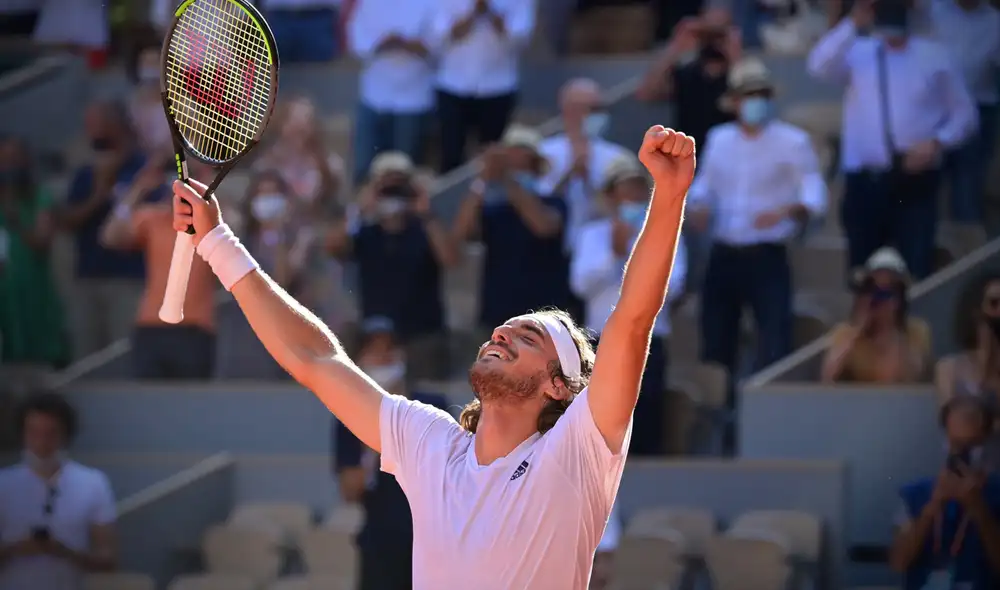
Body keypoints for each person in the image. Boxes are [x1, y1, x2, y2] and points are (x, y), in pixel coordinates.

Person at [169, 125, 693, 587]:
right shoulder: (431, 442)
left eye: (528, 338)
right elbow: (314, 358)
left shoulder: (578, 449)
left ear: (561, 384)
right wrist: (217, 240)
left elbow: (631, 321)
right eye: (504, 330)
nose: (501, 335)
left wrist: (668, 196)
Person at [807, 0, 978, 280]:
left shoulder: (934, 56)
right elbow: (817, 65)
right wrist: (853, 21)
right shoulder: (859, 52)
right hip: (865, 181)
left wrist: (937, 142)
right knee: (862, 273)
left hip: (914, 179)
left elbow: (965, 115)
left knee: (915, 269)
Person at [687, 57, 826, 397]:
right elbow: (704, 185)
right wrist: (699, 204)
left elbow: (812, 189)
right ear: (734, 102)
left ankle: (769, 413)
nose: (754, 102)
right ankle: (722, 419)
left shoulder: (793, 141)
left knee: (773, 340)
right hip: (724, 253)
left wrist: (792, 208)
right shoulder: (719, 139)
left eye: (760, 94)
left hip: (767, 255)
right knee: (716, 341)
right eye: (747, 95)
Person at [571, 155, 688, 456]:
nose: (633, 196)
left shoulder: (667, 234)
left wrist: (632, 254)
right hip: (598, 337)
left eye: (639, 189)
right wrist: (614, 253)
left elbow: (673, 286)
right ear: (611, 196)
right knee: (598, 414)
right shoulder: (591, 235)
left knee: (647, 409)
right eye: (626, 189)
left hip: (650, 337)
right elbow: (580, 284)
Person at [333, 316, 450, 590]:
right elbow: (350, 490)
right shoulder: (347, 413)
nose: (384, 357)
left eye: (390, 348)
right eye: (375, 350)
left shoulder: (434, 406)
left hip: (432, 543)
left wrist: (400, 409)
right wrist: (381, 419)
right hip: (379, 544)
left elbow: (449, 474)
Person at [329, 152, 455, 382]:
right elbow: (333, 248)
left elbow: (450, 259)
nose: (392, 195)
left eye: (399, 188)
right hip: (374, 334)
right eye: (386, 189)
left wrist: (425, 212)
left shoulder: (425, 229)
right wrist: (359, 208)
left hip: (421, 333)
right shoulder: (366, 232)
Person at [99, 159, 217, 380]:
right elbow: (110, 237)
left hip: (195, 329)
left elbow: (234, 230)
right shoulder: (152, 218)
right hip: (151, 327)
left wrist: (207, 191)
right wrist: (138, 190)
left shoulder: (211, 221)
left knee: (191, 407)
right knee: (148, 403)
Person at [454, 125, 573, 342]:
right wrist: (483, 180)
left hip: (544, 315)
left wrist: (507, 179)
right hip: (498, 312)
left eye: (524, 163)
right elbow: (462, 234)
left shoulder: (555, 201)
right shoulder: (493, 207)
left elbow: (543, 226)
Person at [56, 101, 147, 360]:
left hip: (129, 279)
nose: (89, 130)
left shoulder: (142, 170)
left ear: (115, 125)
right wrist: (99, 193)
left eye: (95, 123)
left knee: (124, 356)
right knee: (84, 357)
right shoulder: (86, 172)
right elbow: (67, 221)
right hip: (88, 277)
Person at [0, 392, 117, 590]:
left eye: (51, 433)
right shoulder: (3, 484)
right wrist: (17, 548)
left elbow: (108, 559)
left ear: (65, 435)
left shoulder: (93, 483)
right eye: (33, 433)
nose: (41, 443)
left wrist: (64, 552)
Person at [889, 395, 1000, 589]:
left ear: (986, 444)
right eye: (956, 444)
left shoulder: (996, 492)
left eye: (971, 445)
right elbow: (899, 562)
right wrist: (932, 507)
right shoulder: (914, 494)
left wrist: (979, 510)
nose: (963, 454)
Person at [432, 0, 536, 172]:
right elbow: (439, 37)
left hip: (498, 86)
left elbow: (519, 39)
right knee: (450, 154)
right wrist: (473, 13)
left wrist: (490, 12)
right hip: (452, 84)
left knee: (492, 155)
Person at [0, 137, 70, 372]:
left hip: (32, 286)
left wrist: (16, 220)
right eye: (5, 160)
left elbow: (42, 241)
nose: (10, 166)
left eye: (15, 160)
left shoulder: (40, 197)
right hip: (4, 290)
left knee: (36, 354)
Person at [348, 0, 437, 183]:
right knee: (364, 170)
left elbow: (441, 47)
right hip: (373, 97)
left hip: (414, 99)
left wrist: (411, 45)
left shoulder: (429, 4)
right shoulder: (368, 4)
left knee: (406, 172)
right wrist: (383, 43)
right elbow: (357, 45)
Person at [821, 247, 931, 383]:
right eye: (872, 289)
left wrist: (892, 330)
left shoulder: (916, 331)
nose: (879, 299)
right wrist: (858, 329)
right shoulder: (844, 333)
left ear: (900, 297)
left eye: (888, 291)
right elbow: (827, 379)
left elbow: (912, 378)